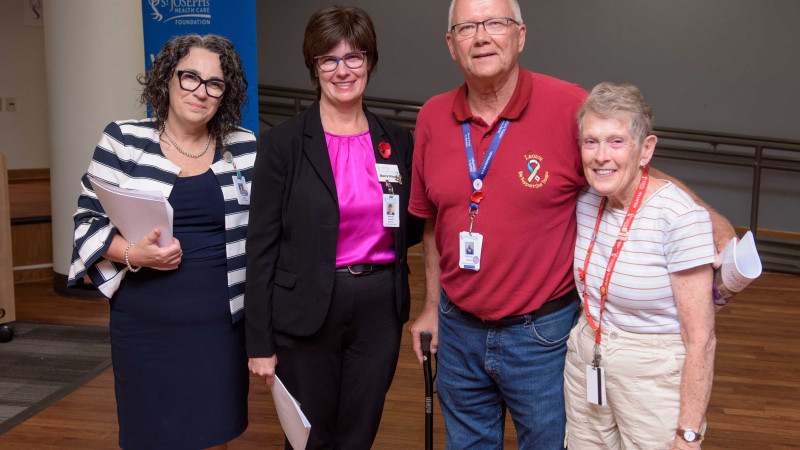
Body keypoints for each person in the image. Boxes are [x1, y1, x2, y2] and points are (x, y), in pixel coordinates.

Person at [408, 0, 735, 448]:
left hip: (539, 336)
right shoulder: (431, 117)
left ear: (520, 35)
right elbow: (432, 222)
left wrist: (710, 219)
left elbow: (622, 163)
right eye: (467, 28)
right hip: (458, 328)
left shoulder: (567, 105)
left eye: (496, 23)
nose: (481, 36)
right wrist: (430, 306)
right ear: (451, 44)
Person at [244, 6, 422, 449]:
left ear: (369, 61)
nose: (343, 71)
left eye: (354, 57)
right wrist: (259, 342)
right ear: (314, 67)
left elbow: (412, 223)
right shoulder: (282, 143)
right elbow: (261, 247)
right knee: (309, 438)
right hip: (306, 306)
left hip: (379, 307)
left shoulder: (397, 141)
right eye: (329, 59)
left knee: (359, 434)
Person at [67, 34, 255, 450]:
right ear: (167, 79)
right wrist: (133, 253)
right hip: (145, 323)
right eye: (190, 77)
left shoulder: (245, 147)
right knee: (151, 436)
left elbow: (266, 231)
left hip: (220, 327)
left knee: (215, 433)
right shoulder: (123, 140)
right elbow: (86, 223)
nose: (200, 92)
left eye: (214, 83)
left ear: (225, 93)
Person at [564, 82, 716, 450]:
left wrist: (688, 433)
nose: (601, 156)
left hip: (653, 378)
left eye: (616, 141)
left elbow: (701, 340)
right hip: (587, 360)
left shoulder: (679, 217)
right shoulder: (586, 199)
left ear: (645, 149)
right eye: (590, 142)